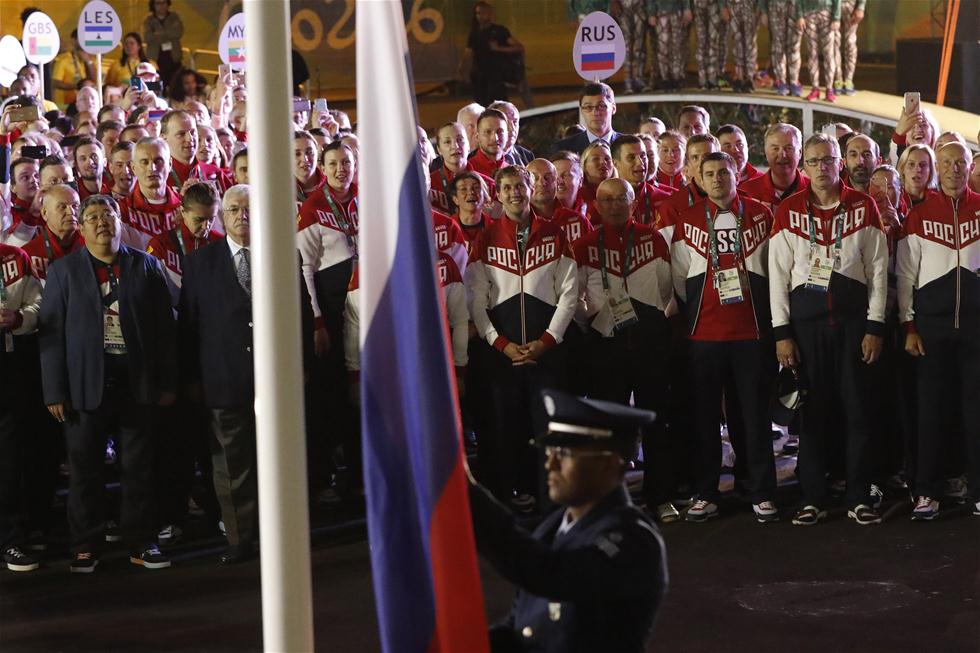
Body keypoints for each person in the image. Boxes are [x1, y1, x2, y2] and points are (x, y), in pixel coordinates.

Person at [468, 388, 668, 653]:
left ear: (608, 464)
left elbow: (550, 575)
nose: (549, 464)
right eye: (549, 451)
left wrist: (466, 492)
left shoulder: (634, 541)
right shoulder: (555, 526)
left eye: (563, 454)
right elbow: (523, 630)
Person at [40, 193, 177, 572]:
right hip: (85, 385)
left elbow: (165, 330)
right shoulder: (63, 272)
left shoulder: (147, 266)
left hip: (138, 381)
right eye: (93, 217)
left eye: (108, 214)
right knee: (85, 470)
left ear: (120, 222)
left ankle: (142, 541)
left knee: (139, 467)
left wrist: (167, 382)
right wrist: (55, 389)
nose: (102, 222)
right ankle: (85, 544)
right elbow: (51, 336)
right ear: (81, 228)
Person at [179, 185, 311, 563]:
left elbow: (300, 316)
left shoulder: (284, 255)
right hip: (223, 382)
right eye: (233, 209)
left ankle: (283, 537)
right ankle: (240, 540)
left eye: (249, 208)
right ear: (222, 216)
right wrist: (192, 380)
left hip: (277, 381)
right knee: (231, 467)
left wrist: (301, 367)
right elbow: (190, 327)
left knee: (281, 461)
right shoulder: (199, 264)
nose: (242, 215)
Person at [769, 132, 887, 526]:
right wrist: (782, 332)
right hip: (806, 330)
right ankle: (812, 498)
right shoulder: (787, 211)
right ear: (804, 167)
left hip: (855, 327)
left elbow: (879, 273)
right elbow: (777, 277)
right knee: (813, 414)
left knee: (858, 412)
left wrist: (875, 325)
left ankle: (859, 496)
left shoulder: (864, 206)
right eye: (814, 161)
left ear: (841, 163)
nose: (822, 168)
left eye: (829, 160)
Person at [670, 151, 778, 523]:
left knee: (754, 416)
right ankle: (706, 493)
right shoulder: (686, 221)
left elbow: (774, 270)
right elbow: (680, 280)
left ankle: (761, 490)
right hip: (704, 336)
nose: (717, 179)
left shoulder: (763, 214)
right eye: (709, 173)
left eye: (723, 172)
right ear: (699, 179)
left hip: (753, 333)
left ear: (737, 174)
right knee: (704, 420)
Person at [465, 165, 577, 509]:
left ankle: (554, 504)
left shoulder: (555, 233)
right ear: (497, 195)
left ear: (532, 189)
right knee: (505, 431)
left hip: (549, 354)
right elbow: (475, 300)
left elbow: (570, 294)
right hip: (502, 355)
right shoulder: (485, 238)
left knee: (550, 431)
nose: (515, 192)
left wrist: (546, 341)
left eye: (521, 186)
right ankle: (509, 502)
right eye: (508, 187)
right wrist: (501, 344)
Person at [574, 178, 676, 522]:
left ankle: (660, 496)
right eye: (607, 199)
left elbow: (667, 290)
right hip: (606, 347)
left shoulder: (652, 238)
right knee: (610, 429)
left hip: (650, 344)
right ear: (596, 205)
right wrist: (594, 319)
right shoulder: (585, 245)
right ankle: (611, 501)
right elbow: (577, 300)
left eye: (622, 198)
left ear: (633, 202)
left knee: (655, 421)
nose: (615, 205)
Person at [896, 143, 980, 521]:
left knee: (975, 413)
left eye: (960, 162)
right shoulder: (918, 215)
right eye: (945, 163)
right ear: (936, 169)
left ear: (970, 166)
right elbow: (905, 279)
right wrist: (909, 326)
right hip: (931, 329)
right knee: (930, 413)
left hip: (976, 330)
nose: (953, 169)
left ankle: (977, 490)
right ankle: (927, 492)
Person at [0, 239, 43, 572]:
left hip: (9, 363)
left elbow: (38, 305)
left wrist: (17, 318)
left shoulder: (16, 257)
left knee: (9, 458)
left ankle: (10, 539)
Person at [117, 137, 183, 250]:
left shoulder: (184, 206)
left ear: (170, 164)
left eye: (158, 161)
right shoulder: (122, 211)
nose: (152, 168)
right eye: (144, 162)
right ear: (133, 167)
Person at [460, 1, 526, 105]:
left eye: (483, 13)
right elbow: (468, 53)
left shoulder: (499, 31)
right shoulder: (475, 33)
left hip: (496, 76)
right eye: (478, 13)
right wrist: (463, 70)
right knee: (482, 106)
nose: (480, 16)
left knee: (500, 106)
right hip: (479, 77)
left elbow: (519, 48)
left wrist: (499, 48)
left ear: (490, 14)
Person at [738, 122, 809, 211]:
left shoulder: (814, 191)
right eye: (775, 148)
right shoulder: (747, 192)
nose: (782, 155)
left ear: (800, 153)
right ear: (766, 152)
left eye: (789, 148)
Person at [430, 122, 495, 215]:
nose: (455, 146)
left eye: (460, 139)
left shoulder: (488, 184)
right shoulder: (429, 185)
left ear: (468, 146)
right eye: (447, 142)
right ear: (439, 150)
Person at [161, 111, 233, 193]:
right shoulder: (158, 176)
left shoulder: (215, 173)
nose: (190, 139)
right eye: (181, 134)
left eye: (193, 132)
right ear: (164, 138)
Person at [22, 184, 83, 279]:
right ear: (45, 213)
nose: (71, 212)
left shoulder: (92, 245)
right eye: (62, 207)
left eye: (75, 206)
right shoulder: (29, 254)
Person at [527, 158, 593, 244]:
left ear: (556, 182)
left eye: (548, 177)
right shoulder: (518, 223)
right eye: (534, 178)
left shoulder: (579, 221)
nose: (542, 183)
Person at [610, 135, 672, 226]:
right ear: (615, 163)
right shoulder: (605, 202)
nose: (640, 162)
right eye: (631, 157)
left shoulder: (665, 200)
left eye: (643, 156)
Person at [550, 83, 620, 155]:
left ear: (613, 108)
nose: (595, 112)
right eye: (588, 107)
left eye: (601, 106)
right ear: (582, 111)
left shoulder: (627, 145)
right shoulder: (564, 148)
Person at [801, 0, 841, 102]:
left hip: (827, 13)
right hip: (809, 13)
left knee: (828, 54)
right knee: (812, 53)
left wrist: (836, 17)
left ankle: (829, 89)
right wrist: (799, 15)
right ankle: (815, 88)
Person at [764, 0, 804, 96]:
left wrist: (801, 14)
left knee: (794, 47)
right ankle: (781, 83)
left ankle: (794, 83)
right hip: (774, 6)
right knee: (778, 46)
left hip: (794, 6)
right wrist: (763, 11)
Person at [650, 0, 692, 91]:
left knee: (677, 46)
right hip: (660, 11)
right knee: (662, 47)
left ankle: (676, 77)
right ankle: (665, 78)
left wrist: (686, 8)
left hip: (677, 10)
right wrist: (651, 12)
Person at [143, 0, 184, 90]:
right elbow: (147, 37)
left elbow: (178, 32)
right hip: (156, 59)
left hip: (173, 58)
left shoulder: (174, 17)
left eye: (163, 3)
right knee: (157, 86)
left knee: (176, 84)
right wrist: (168, 34)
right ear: (153, 5)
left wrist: (156, 34)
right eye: (158, 3)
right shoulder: (148, 20)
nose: (161, 6)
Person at [52, 30, 96, 109]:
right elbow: (54, 82)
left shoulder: (90, 59)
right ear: (74, 40)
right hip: (65, 106)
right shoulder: (63, 59)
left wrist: (88, 62)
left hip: (84, 105)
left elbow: (93, 81)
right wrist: (77, 86)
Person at [615, 0, 651, 94]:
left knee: (640, 45)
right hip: (623, 9)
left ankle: (639, 79)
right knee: (626, 47)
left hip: (639, 8)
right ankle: (628, 82)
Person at [691, 0, 728, 90]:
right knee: (701, 42)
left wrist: (722, 6)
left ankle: (712, 79)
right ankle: (702, 79)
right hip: (698, 5)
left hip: (714, 5)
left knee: (712, 42)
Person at [726, 0, 760, 92]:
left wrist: (761, 6)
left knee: (750, 44)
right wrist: (722, 5)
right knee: (737, 43)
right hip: (732, 5)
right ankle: (739, 78)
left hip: (750, 6)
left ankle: (749, 79)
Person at [468, 109, 511, 179]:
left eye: (500, 131)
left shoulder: (513, 172)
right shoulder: (468, 171)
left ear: (507, 135)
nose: (495, 138)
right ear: (477, 137)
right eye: (487, 132)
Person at [488, 101, 534, 166]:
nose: (512, 129)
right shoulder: (474, 159)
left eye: (515, 122)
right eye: (505, 122)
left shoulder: (527, 155)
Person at [833, 0, 864, 95]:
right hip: (832, 5)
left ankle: (848, 81)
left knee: (850, 43)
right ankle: (838, 80)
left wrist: (860, 7)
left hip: (850, 4)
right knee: (833, 42)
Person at [293, 131, 324, 212]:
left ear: (317, 154)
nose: (305, 159)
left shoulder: (332, 186)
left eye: (310, 152)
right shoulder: (281, 190)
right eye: (297, 154)